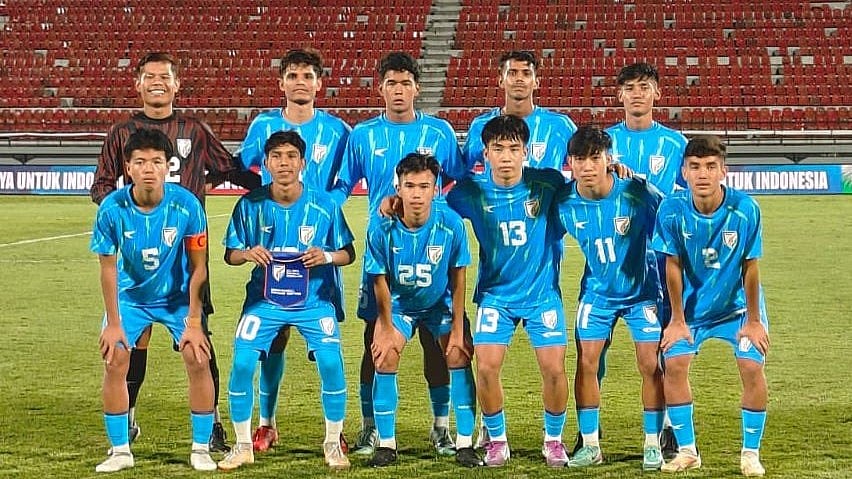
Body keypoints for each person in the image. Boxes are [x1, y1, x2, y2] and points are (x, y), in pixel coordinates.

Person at [90, 51, 260, 452]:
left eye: (164, 77)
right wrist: (129, 218)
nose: (157, 83)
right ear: (138, 84)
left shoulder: (193, 130)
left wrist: (265, 190)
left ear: (176, 84)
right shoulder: (122, 132)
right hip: (138, 258)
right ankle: (127, 415)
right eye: (149, 77)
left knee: (198, 338)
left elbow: (226, 167)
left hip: (186, 255)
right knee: (135, 339)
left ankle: (212, 426)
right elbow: (101, 186)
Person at [330, 51, 468, 457]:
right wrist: (314, 209)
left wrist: (444, 215)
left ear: (416, 88)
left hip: (433, 249)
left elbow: (460, 181)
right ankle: (371, 427)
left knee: (438, 346)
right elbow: (341, 186)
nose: (398, 89)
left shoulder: (441, 132)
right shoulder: (363, 135)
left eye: (406, 82)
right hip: (385, 248)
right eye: (391, 82)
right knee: (374, 341)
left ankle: (442, 428)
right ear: (381, 88)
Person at [216, 131, 355, 471]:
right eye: (276, 156)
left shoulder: (324, 205)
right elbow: (229, 255)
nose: (284, 163)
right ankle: (243, 444)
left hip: (314, 301)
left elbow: (348, 253)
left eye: (291, 156)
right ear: (265, 163)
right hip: (266, 302)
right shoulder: (250, 204)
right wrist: (248, 254)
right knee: (243, 362)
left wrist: (325, 256)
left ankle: (332, 441)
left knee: (331, 363)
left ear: (303, 162)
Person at [235, 47, 351, 453]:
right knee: (274, 336)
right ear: (281, 82)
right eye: (293, 75)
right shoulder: (264, 124)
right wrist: (269, 209)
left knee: (324, 344)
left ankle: (337, 429)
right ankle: (266, 422)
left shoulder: (338, 130)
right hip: (275, 248)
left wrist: (325, 207)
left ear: (319, 83)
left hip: (318, 248)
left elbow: (347, 178)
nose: (300, 82)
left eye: (308, 76)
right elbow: (243, 170)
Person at [446, 114, 570, 468]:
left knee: (554, 369)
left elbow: (590, 192)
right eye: (497, 149)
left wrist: (617, 171)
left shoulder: (547, 184)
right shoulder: (470, 192)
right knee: (485, 367)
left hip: (541, 295)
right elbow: (435, 209)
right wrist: (395, 201)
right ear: (485, 152)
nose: (505, 157)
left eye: (513, 149)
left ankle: (554, 440)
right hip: (495, 296)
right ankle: (497, 440)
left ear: (525, 151)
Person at [579, 62, 689, 458]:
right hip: (606, 264)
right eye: (630, 88)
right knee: (592, 351)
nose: (637, 94)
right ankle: (589, 432)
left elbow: (682, 200)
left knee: (658, 353)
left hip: (655, 266)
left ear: (657, 93)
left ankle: (664, 432)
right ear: (619, 95)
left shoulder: (675, 143)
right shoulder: (604, 141)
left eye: (645, 87)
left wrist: (641, 183)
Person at [90, 128, 216, 472]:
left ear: (168, 166)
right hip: (131, 298)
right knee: (115, 359)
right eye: (140, 162)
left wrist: (193, 320)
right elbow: (108, 270)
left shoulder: (187, 204)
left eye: (156, 161)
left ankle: (201, 448)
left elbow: (199, 268)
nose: (149, 168)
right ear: (127, 168)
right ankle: (119, 451)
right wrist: (114, 324)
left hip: (177, 299)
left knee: (198, 357)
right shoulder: (112, 208)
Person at [652, 135, 769, 476]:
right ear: (684, 172)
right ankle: (688, 450)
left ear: (723, 171)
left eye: (710, 166)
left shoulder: (745, 208)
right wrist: (675, 319)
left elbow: (751, 265)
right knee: (674, 365)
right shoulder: (671, 209)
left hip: (737, 309)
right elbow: (671, 266)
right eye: (695, 167)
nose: (702, 174)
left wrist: (753, 319)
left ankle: (750, 453)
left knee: (751, 366)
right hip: (690, 311)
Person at [556, 126, 666, 470]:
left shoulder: (635, 193)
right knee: (586, 361)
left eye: (595, 158)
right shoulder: (562, 202)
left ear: (609, 160)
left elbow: (670, 218)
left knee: (650, 364)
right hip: (598, 294)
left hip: (642, 292)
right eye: (580, 159)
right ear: (570, 163)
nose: (587, 166)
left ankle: (653, 443)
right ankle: (590, 445)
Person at [365, 153, 479, 468]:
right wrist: (385, 327)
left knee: (458, 354)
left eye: (424, 186)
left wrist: (458, 328)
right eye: (410, 185)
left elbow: (459, 280)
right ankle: (386, 444)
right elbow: (380, 282)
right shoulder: (381, 227)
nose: (417, 194)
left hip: (439, 303)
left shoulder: (451, 224)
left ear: (435, 188)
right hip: (400, 305)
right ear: (397, 187)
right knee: (385, 355)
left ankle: (464, 443)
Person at [462, 50, 576, 172]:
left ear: (536, 82)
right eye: (512, 73)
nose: (519, 79)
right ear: (501, 81)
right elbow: (462, 172)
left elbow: (585, 163)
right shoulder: (481, 125)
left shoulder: (560, 125)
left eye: (526, 74)